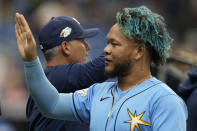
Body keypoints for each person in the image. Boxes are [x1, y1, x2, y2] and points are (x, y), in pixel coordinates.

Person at [15, 6, 188, 131]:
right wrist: (30, 60)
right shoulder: (97, 93)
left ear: (139, 51)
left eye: (114, 44)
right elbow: (52, 104)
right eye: (107, 43)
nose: (105, 49)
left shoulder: (165, 101)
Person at [23, 16, 107, 131]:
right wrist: (125, 36)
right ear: (66, 47)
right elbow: (101, 67)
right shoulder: (59, 76)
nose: (88, 47)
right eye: (82, 41)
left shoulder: (49, 80)